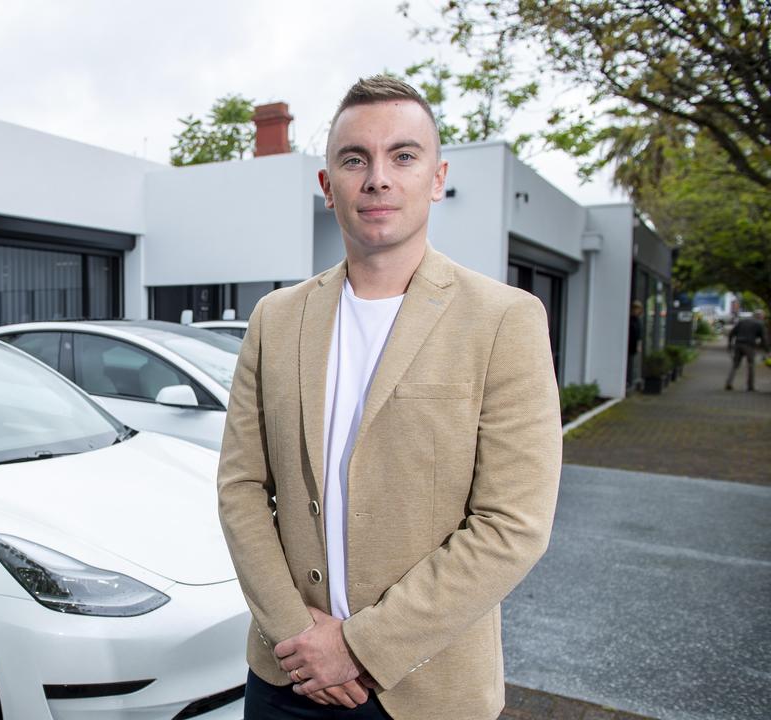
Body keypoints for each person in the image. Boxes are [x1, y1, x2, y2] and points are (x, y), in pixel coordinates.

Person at [217, 75, 562, 720]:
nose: (378, 178)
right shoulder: (274, 318)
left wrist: (360, 648)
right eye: (355, 159)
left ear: (436, 178)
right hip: (286, 677)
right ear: (328, 188)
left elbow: (513, 523)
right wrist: (298, 635)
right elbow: (240, 486)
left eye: (403, 156)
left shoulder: (504, 320)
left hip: (428, 690)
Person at [726, 309, 766, 391]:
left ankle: (729, 383)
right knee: (751, 365)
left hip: (738, 344)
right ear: (761, 317)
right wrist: (766, 350)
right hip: (749, 346)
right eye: (763, 317)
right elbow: (763, 339)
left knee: (735, 365)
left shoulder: (743, 321)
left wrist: (730, 345)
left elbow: (731, 333)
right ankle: (750, 386)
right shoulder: (760, 324)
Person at [627, 300, 643, 389]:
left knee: (632, 363)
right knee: (629, 363)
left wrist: (639, 344)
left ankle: (631, 380)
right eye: (634, 308)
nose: (635, 310)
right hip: (628, 346)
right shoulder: (629, 319)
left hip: (634, 346)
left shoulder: (638, 320)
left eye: (637, 308)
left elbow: (639, 334)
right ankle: (628, 381)